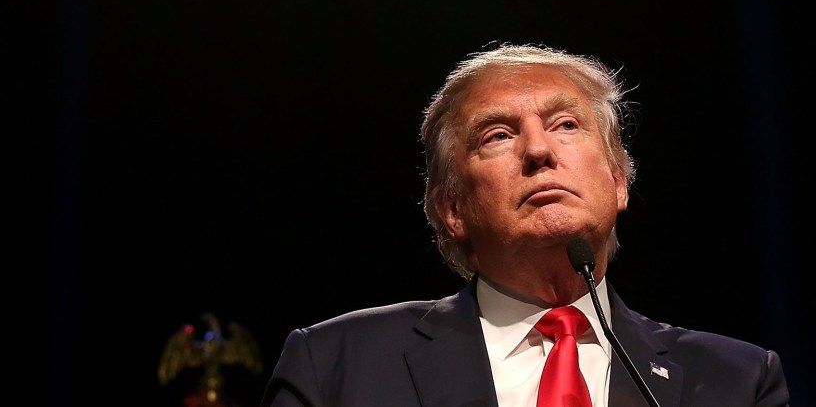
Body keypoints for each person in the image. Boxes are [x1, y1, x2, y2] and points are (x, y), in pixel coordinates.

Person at [259, 42, 790, 407]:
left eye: (566, 124)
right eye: (497, 135)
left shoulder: (734, 381)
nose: (539, 149)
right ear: (452, 208)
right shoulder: (336, 366)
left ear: (619, 180)